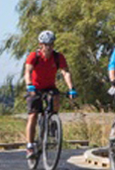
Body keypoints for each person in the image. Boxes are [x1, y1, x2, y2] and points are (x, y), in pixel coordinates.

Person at [22, 29, 76, 157]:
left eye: (51, 44)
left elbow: (65, 72)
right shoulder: (34, 56)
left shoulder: (58, 57)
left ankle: (52, 121)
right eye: (46, 45)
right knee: (33, 115)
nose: (49, 47)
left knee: (56, 97)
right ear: (40, 45)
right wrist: (29, 85)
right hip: (34, 88)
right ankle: (30, 145)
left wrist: (71, 88)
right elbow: (27, 72)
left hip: (49, 87)